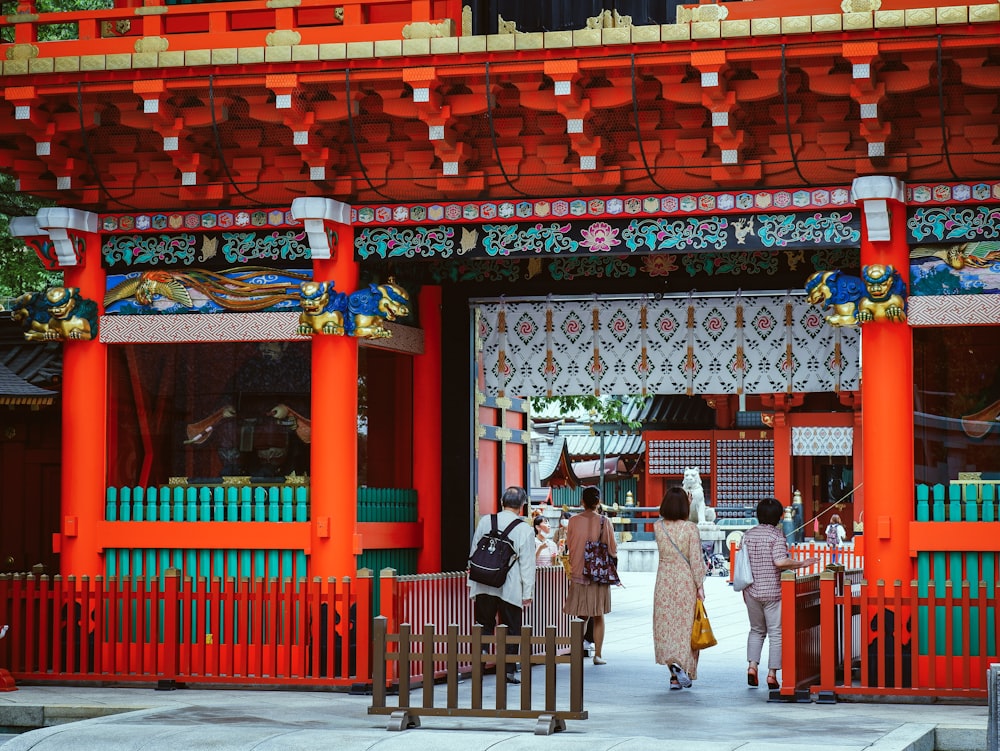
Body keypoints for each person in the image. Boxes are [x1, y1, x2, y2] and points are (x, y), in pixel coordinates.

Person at [742, 497, 820, 690]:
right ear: (778, 517)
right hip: (772, 592)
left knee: (756, 630)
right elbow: (779, 562)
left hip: (751, 590)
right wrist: (802, 563)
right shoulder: (776, 536)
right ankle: (771, 674)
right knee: (776, 633)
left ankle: (752, 666)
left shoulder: (748, 535)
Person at [467, 486, 536, 684]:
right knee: (511, 628)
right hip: (510, 587)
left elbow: (474, 551)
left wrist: (471, 583)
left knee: (483, 625)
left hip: (484, 583)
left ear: (501, 501)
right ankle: (507, 670)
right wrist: (527, 592)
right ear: (522, 506)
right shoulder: (524, 529)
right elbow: (527, 564)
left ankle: (479, 664)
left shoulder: (486, 521)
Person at [652, 486, 706, 690]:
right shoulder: (690, 529)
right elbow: (696, 560)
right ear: (685, 505)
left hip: (664, 581)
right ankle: (683, 668)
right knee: (685, 629)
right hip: (685, 582)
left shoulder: (658, 527)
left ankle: (674, 674)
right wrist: (699, 586)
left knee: (666, 628)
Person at [563, 485, 617, 665]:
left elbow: (569, 546)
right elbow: (612, 549)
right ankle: (598, 655)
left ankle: (576, 651)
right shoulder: (604, 521)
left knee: (581, 616)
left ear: (582, 501)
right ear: (598, 502)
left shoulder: (573, 521)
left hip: (578, 572)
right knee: (598, 615)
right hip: (597, 575)